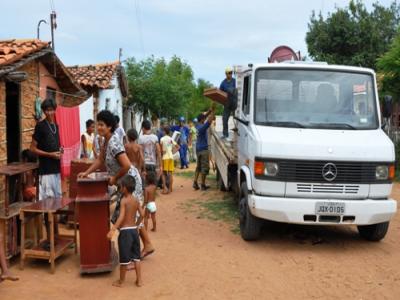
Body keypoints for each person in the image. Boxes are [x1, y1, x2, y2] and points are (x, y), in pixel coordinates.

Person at [78, 110, 155, 258]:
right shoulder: (105, 141)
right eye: (97, 124)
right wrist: (86, 172)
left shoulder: (113, 142)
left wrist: (114, 179)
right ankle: (147, 245)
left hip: (131, 182)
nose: (98, 128)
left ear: (109, 127)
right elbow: (100, 160)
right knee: (129, 215)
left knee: (129, 216)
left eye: (102, 125)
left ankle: (136, 251)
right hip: (125, 183)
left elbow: (126, 165)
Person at [30, 98, 62, 245]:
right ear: (44, 111)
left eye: (52, 109)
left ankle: (56, 236)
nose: (50, 112)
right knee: (48, 206)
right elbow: (32, 149)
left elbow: (56, 147)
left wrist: (59, 151)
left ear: (55, 110)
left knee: (56, 205)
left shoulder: (56, 126)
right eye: (47, 110)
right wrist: (50, 155)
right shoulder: (40, 126)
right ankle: (49, 239)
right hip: (46, 172)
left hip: (56, 171)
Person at [107, 175, 143, 287]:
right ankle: (139, 280)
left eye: (121, 187)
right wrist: (137, 225)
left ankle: (121, 281)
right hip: (134, 231)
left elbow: (121, 217)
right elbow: (142, 214)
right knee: (137, 258)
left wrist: (112, 229)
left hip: (125, 233)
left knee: (124, 260)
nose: (120, 188)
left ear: (125, 188)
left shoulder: (124, 200)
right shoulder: (136, 200)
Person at [193, 108, 214, 191]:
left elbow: (204, 117)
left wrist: (209, 111)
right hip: (203, 149)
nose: (205, 119)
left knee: (198, 167)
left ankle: (195, 182)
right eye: (204, 119)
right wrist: (212, 112)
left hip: (198, 149)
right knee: (204, 168)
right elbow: (209, 121)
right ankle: (203, 184)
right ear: (202, 120)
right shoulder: (202, 127)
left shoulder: (197, 125)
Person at [160, 126, 179, 194]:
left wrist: (162, 153)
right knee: (170, 173)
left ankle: (165, 188)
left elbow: (161, 150)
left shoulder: (162, 139)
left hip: (165, 158)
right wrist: (172, 152)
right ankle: (170, 188)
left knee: (164, 174)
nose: (162, 132)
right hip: (171, 157)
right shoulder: (171, 139)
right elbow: (178, 147)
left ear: (164, 131)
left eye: (163, 131)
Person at [219, 66, 237, 139]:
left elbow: (238, 89)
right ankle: (225, 134)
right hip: (227, 103)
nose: (230, 74)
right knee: (224, 119)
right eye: (229, 73)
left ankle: (238, 133)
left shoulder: (235, 81)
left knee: (238, 119)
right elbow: (220, 92)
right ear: (226, 74)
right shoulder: (223, 83)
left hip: (235, 102)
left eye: (231, 73)